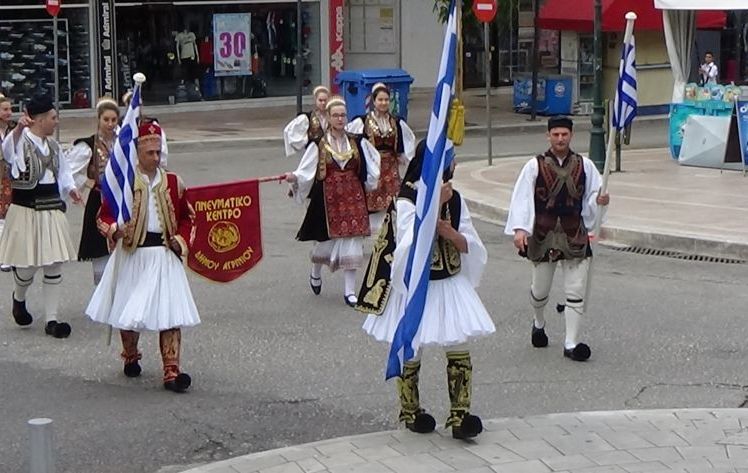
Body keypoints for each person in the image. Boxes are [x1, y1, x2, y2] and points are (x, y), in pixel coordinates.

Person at [361, 140, 495, 440]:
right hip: (416, 286)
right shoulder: (406, 200)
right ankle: (411, 410)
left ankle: (460, 415)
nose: (455, 165)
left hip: (448, 279)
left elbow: (469, 243)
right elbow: (411, 242)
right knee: (412, 345)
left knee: (459, 343)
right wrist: (434, 205)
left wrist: (451, 232)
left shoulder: (456, 199)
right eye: (451, 160)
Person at [86, 122, 199, 393]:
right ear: (138, 153)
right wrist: (115, 230)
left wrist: (180, 241)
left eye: (158, 152)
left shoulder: (173, 182)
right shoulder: (123, 182)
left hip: (163, 253)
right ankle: (131, 354)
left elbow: (189, 217)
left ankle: (172, 370)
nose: (156, 158)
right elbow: (103, 215)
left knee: (171, 314)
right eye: (150, 153)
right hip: (133, 252)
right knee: (130, 310)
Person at [504, 116, 609, 362]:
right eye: (556, 134)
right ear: (548, 136)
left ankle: (571, 343)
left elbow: (595, 196)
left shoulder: (586, 166)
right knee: (540, 290)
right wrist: (520, 229)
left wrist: (600, 202)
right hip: (543, 234)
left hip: (575, 233)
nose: (560, 139)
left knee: (575, 289)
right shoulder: (534, 166)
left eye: (564, 134)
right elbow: (522, 198)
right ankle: (538, 321)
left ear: (571, 135)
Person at [284, 96, 380, 307]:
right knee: (326, 242)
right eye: (335, 115)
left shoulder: (357, 141)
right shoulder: (319, 144)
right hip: (329, 198)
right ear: (328, 117)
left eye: (342, 115)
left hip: (353, 196)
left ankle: (349, 291)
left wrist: (371, 182)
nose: (339, 119)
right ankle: (316, 270)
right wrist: (295, 178)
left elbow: (372, 164)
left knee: (353, 239)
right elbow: (306, 169)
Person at [0, 95, 83, 338]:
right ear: (39, 119)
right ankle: (19, 296)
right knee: (28, 264)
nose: (56, 122)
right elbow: (7, 151)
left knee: (54, 261)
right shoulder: (19, 141)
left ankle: (52, 320)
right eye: (53, 118)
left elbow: (64, 173)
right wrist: (18, 129)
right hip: (26, 209)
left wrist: (71, 190)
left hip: (51, 207)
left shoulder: (54, 146)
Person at [346, 83, 416, 233]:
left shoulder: (396, 122)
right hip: (373, 166)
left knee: (392, 198)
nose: (383, 103)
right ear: (373, 101)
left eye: (386, 100)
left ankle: (391, 230)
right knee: (372, 196)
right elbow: (351, 139)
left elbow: (407, 141)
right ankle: (371, 230)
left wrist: (404, 157)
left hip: (391, 166)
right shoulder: (363, 121)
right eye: (380, 100)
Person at [65, 97, 120, 285]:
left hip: (122, 200)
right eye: (106, 120)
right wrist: (86, 182)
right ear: (98, 120)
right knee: (99, 248)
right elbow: (67, 171)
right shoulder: (88, 145)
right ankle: (101, 299)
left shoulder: (123, 143)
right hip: (99, 200)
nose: (110, 124)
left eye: (114, 120)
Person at [283, 85, 329, 157]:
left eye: (325, 100)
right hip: (314, 154)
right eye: (320, 100)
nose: (323, 103)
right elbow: (289, 131)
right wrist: (307, 140)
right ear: (315, 100)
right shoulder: (307, 118)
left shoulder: (333, 116)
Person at [0, 94, 17, 272]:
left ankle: (10, 254)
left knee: (10, 216)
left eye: (10, 109)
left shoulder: (13, 129)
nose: (9, 113)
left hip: (11, 177)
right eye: (5, 109)